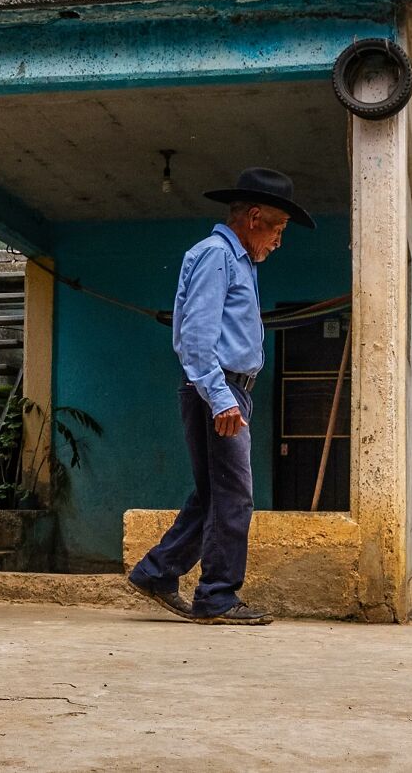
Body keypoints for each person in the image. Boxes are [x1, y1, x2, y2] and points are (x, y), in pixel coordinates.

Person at [128, 168, 315, 624]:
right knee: (233, 496)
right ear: (254, 218)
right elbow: (194, 337)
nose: (278, 241)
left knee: (215, 493)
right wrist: (221, 397)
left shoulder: (238, 261)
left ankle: (157, 572)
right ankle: (216, 595)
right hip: (219, 389)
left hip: (228, 389)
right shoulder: (217, 256)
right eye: (277, 229)